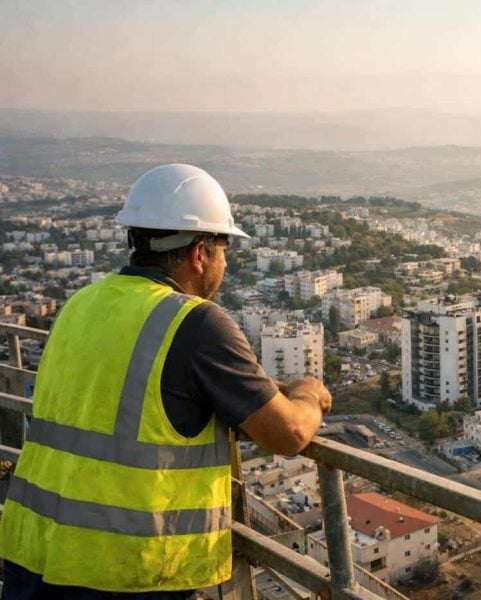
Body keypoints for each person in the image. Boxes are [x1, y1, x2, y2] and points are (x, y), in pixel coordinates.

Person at [0, 164, 332, 598]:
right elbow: (288, 434)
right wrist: (308, 392)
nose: (226, 262)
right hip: (122, 571)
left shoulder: (81, 303)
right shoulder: (196, 322)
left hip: (34, 552)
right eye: (224, 248)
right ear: (199, 252)